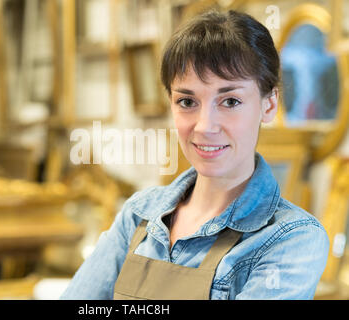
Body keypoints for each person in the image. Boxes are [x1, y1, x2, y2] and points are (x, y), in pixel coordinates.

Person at [60, 9, 329, 300]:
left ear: (269, 104)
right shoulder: (138, 214)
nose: (205, 126)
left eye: (230, 101)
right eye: (187, 101)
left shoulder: (291, 238)